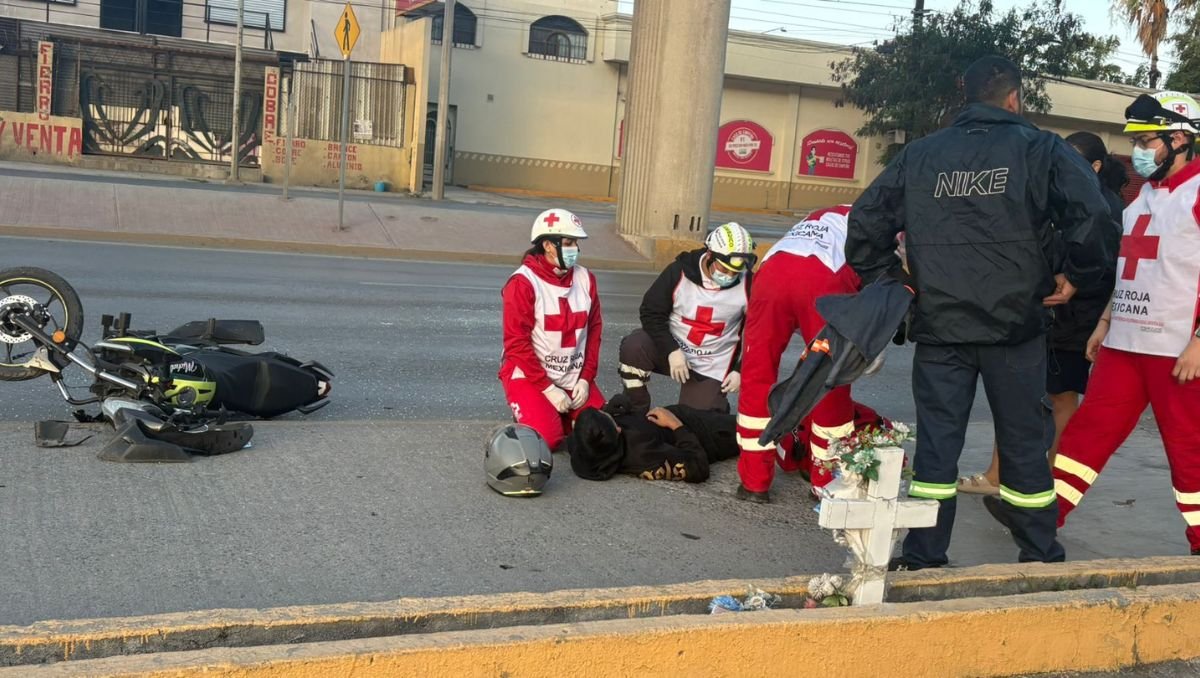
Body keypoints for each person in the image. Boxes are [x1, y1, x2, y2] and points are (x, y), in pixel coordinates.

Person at [846, 55, 1111, 569]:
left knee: (937, 447)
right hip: (1015, 326)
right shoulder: (1040, 148)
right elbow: (1094, 213)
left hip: (941, 326)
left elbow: (865, 223)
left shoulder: (921, 155)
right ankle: (1038, 553)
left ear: (964, 98)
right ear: (1015, 98)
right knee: (1023, 442)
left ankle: (924, 555)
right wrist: (1079, 276)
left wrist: (893, 284)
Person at [1053, 91, 1200, 554]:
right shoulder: (1139, 202)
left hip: (1178, 349)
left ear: (1179, 139)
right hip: (1125, 340)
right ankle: (1041, 517)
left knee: (1188, 448)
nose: (1138, 150)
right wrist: (1104, 321)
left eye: (1147, 139)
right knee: (1089, 428)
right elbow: (1132, 268)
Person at [958, 131, 1127, 496]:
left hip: (1076, 316)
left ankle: (1051, 479)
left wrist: (1074, 284)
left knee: (1061, 398)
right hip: (1043, 310)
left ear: (1095, 167)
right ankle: (998, 474)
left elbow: (1107, 268)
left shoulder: (1106, 207)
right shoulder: (1058, 197)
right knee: (1019, 391)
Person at [735, 205, 865, 503]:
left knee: (757, 374)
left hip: (771, 274)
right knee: (829, 377)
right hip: (823, 280)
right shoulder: (881, 221)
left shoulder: (822, 213)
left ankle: (754, 482)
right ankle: (825, 482)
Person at [618, 222, 755, 413]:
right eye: (724, 269)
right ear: (709, 255)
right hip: (674, 352)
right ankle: (636, 411)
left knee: (698, 425)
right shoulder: (679, 271)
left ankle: (714, 404)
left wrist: (741, 369)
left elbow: (760, 332)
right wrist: (671, 350)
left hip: (713, 362)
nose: (730, 275)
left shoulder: (750, 285)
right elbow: (650, 312)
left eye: (736, 271)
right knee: (634, 347)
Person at [499, 208, 606, 451]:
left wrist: (587, 379)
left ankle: (559, 414)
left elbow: (595, 330)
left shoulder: (586, 279)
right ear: (548, 245)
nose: (575, 250)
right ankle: (538, 412)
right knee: (547, 440)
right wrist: (548, 389)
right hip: (530, 375)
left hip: (572, 373)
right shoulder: (523, 283)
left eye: (576, 243)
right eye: (569, 243)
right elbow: (516, 343)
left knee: (602, 431)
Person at [567, 393, 739, 483]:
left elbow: (592, 430)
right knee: (752, 427)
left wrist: (614, 409)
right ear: (618, 430)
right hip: (705, 435)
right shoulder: (644, 453)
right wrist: (676, 425)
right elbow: (698, 468)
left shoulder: (585, 447)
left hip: (674, 418)